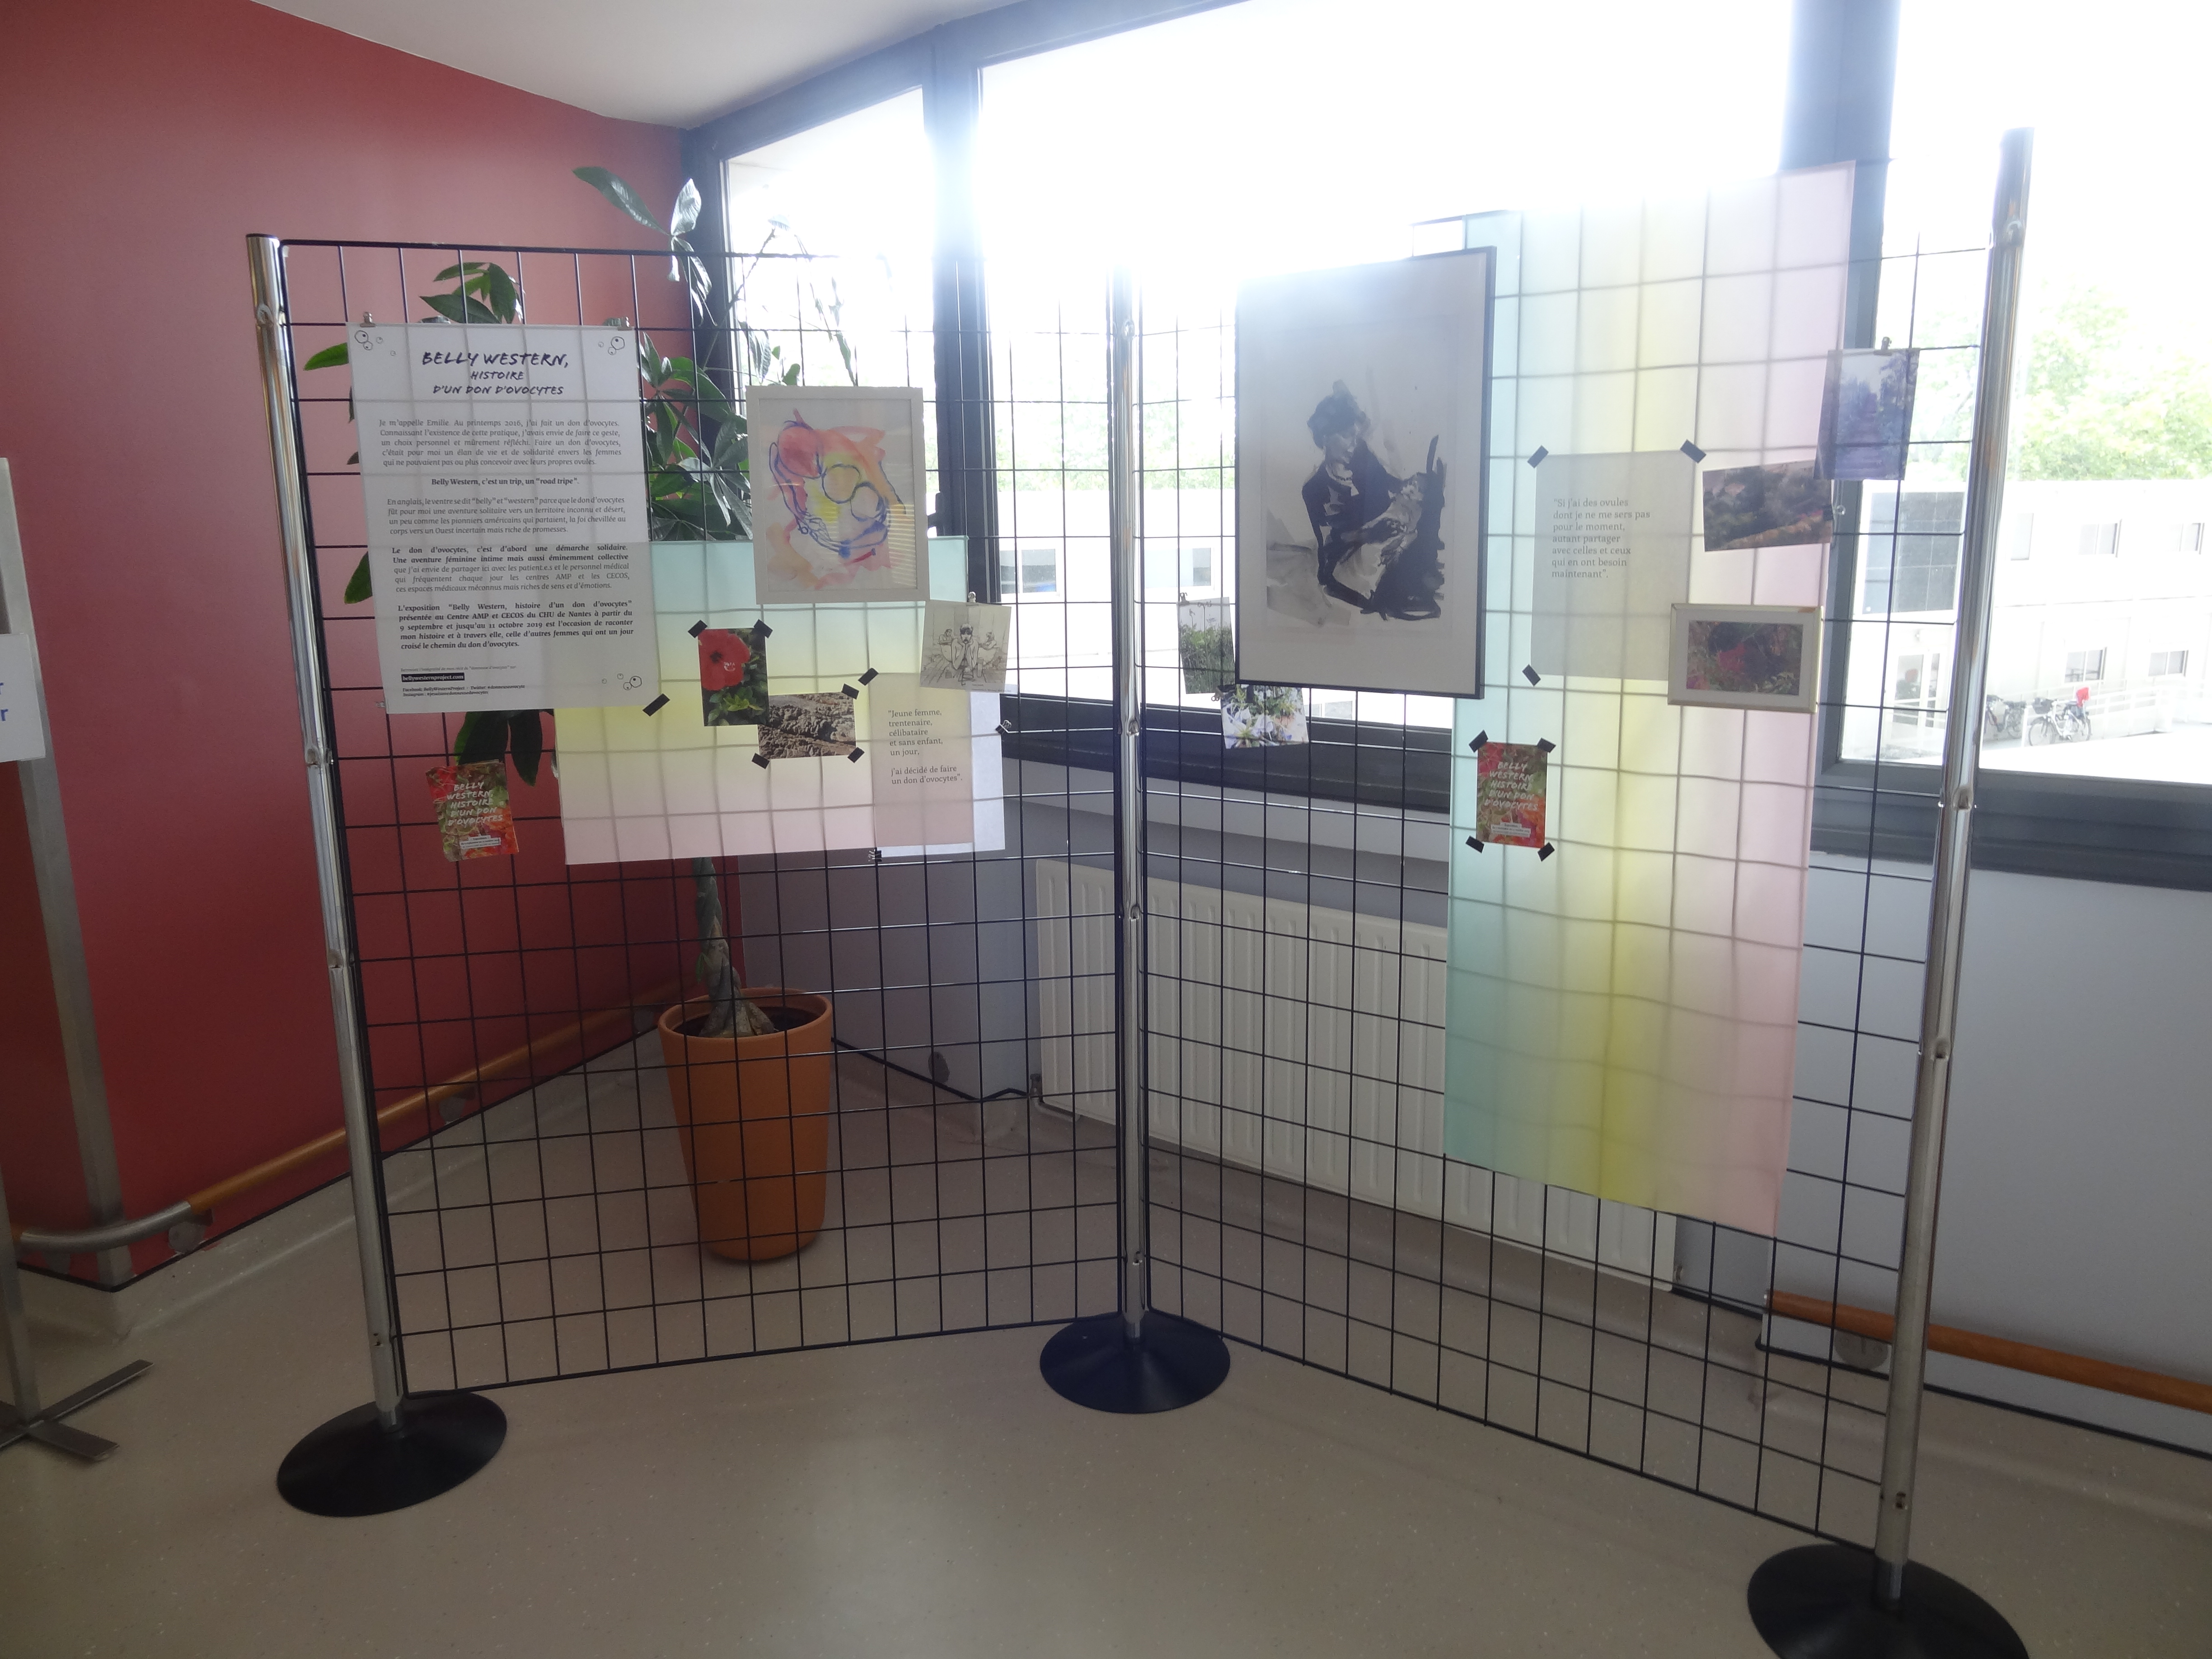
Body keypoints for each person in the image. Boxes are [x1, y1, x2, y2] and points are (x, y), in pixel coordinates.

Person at [1299, 382, 1445, 621]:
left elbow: (1389, 483)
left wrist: (1415, 487)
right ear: (1325, 438)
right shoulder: (1316, 489)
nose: (1354, 443)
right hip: (1347, 557)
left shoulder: (1361, 455)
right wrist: (1370, 535)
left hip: (1386, 534)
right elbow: (1330, 543)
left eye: (1356, 436)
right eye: (1347, 436)